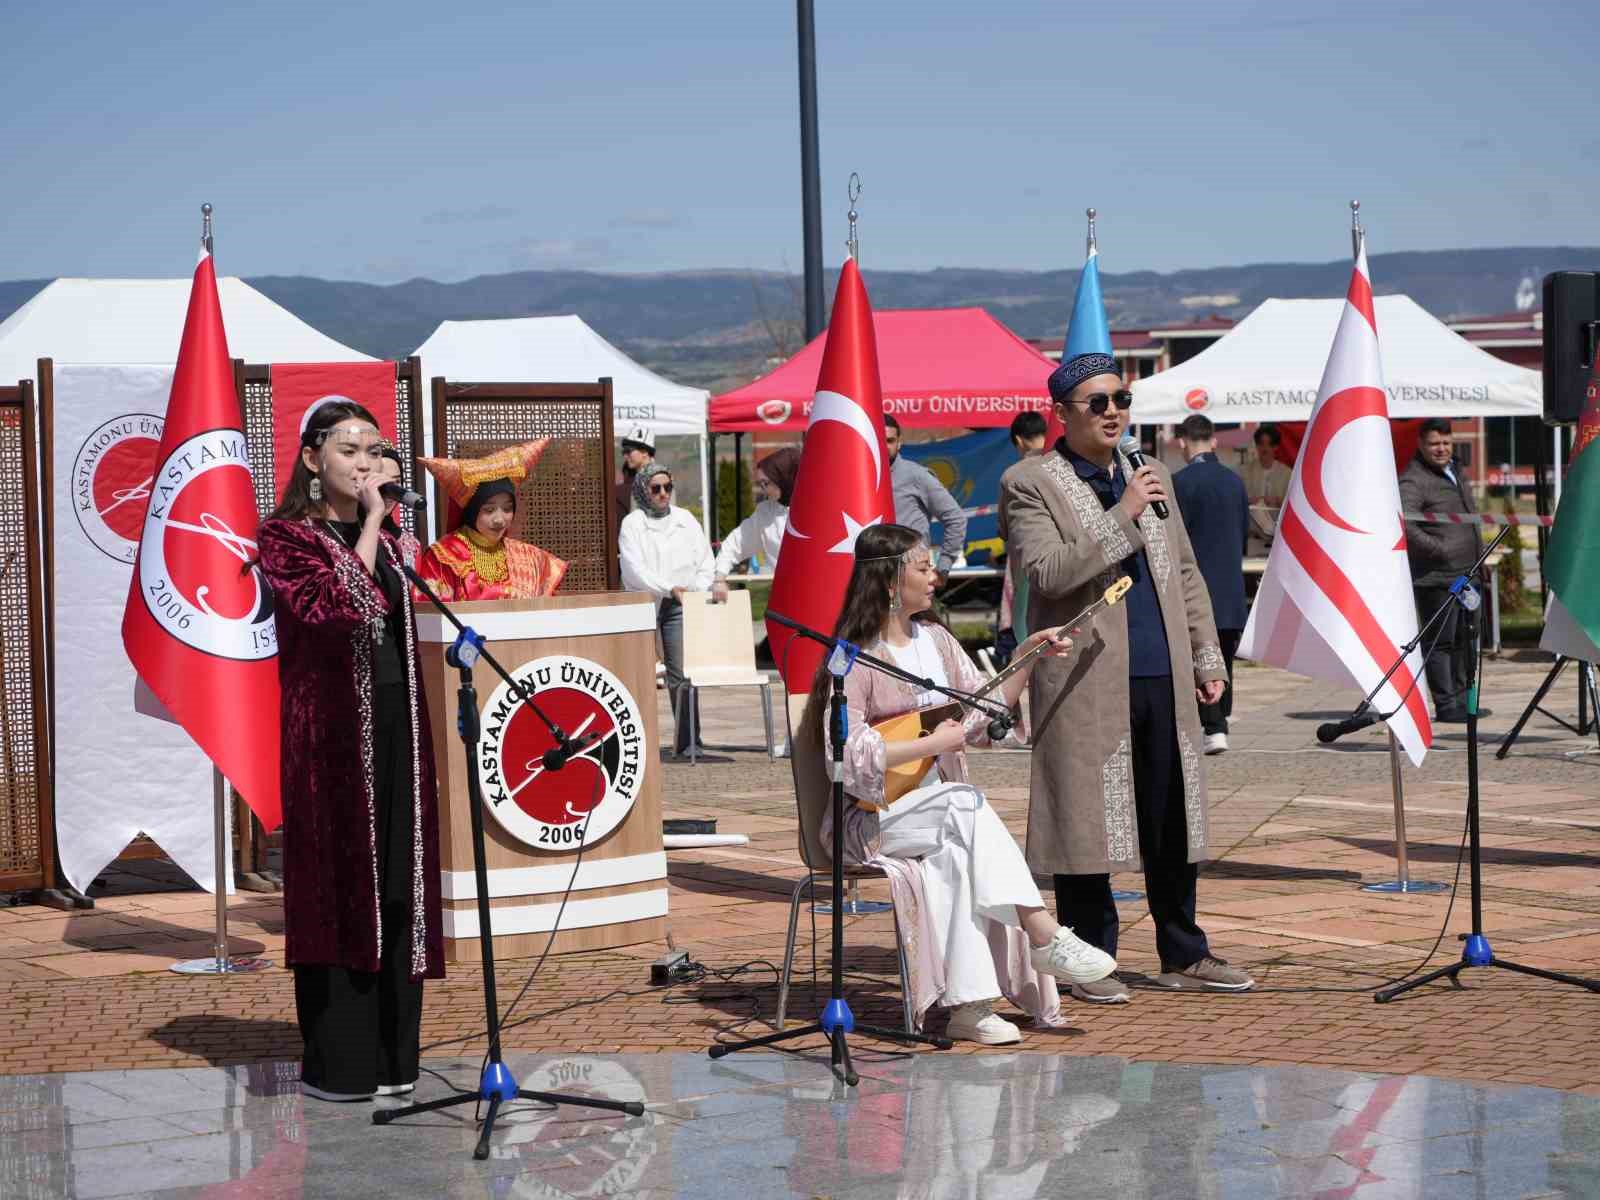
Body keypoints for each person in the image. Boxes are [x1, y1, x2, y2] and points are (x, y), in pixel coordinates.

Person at [1001, 351, 1253, 1004]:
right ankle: (1092, 957)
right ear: (1062, 413)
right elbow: (1051, 574)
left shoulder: (1149, 474)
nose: (1114, 412)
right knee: (1083, 819)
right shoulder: (1031, 482)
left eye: (1122, 400)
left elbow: (1186, 572)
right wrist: (1123, 516)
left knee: (1172, 820)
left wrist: (1205, 655)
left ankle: (1184, 952)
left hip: (1161, 674)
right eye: (1098, 402)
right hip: (1083, 678)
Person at [804, 523, 1116, 1044]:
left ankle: (969, 1008)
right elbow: (844, 752)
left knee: (954, 849)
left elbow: (982, 709)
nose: (935, 577)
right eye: (922, 568)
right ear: (887, 580)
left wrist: (1027, 658)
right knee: (963, 805)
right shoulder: (851, 657)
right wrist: (928, 745)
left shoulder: (939, 642)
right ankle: (1044, 932)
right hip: (870, 820)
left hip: (937, 814)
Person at [256, 400, 444, 1102]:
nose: (364, 463)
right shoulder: (284, 538)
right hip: (331, 743)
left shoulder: (394, 540)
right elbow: (341, 607)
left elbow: (399, 612)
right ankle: (340, 1065)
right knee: (345, 888)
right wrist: (369, 523)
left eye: (372, 449)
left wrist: (383, 530)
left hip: (397, 725)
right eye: (347, 450)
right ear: (312, 460)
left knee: (399, 883)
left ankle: (396, 1060)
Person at [619, 462, 715, 757]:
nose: (663, 494)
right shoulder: (632, 524)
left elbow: (705, 560)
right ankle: (636, 740)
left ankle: (688, 741)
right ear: (643, 490)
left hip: (680, 605)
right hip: (644, 603)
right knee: (639, 674)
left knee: (681, 674)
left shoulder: (685, 519)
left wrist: (695, 590)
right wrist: (667, 587)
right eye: (656, 488)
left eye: (668, 487)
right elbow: (634, 569)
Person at [1399, 418, 1488, 723]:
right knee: (1442, 642)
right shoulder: (1413, 480)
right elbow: (1405, 524)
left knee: (1467, 640)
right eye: (1434, 443)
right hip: (1437, 577)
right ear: (1421, 445)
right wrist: (1440, 550)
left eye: (1446, 443)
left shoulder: (1456, 471)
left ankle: (1466, 701)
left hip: (1468, 573)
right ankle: (1447, 705)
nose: (1441, 449)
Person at [1173, 414, 1251, 755]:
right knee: (1224, 654)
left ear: (1181, 442)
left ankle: (1213, 724)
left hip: (1195, 587)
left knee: (1199, 652)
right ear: (1215, 441)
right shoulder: (1236, 482)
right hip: (1231, 584)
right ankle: (1224, 715)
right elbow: (1245, 534)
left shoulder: (1178, 482)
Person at [415, 441, 567, 601]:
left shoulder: (530, 558)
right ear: (472, 511)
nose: (499, 520)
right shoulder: (445, 556)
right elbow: (432, 610)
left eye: (507, 509)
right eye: (489, 510)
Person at [995, 411, 1050, 666]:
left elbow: (1004, 529)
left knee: (1027, 634)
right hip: (1066, 562)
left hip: (1027, 566)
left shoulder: (1013, 475)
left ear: (1019, 440)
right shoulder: (1062, 466)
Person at [884, 414, 967, 582]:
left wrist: (943, 568)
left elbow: (956, 519)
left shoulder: (916, 475)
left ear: (899, 442)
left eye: (890, 441)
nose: (884, 446)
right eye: (879, 440)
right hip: (871, 574)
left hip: (911, 573)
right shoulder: (858, 480)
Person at [711, 446, 799, 601]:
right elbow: (734, 544)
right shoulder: (764, 513)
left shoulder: (816, 509)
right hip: (786, 598)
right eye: (760, 484)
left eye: (766, 483)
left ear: (784, 477)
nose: (763, 490)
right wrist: (719, 578)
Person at [1241, 424, 1292, 558]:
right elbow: (1238, 500)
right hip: (1253, 537)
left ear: (1275, 447)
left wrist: (1277, 500)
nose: (1264, 448)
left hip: (1279, 539)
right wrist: (1250, 500)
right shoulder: (1244, 471)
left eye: (1268, 444)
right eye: (1261, 444)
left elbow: (1292, 503)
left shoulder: (1287, 473)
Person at [377, 444, 421, 570]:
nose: (390, 491)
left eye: (396, 482)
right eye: (382, 482)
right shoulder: (344, 536)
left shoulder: (410, 544)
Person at [615, 424, 656, 542]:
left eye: (629, 451)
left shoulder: (660, 480)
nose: (625, 455)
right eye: (624, 451)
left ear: (644, 452)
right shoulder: (629, 476)